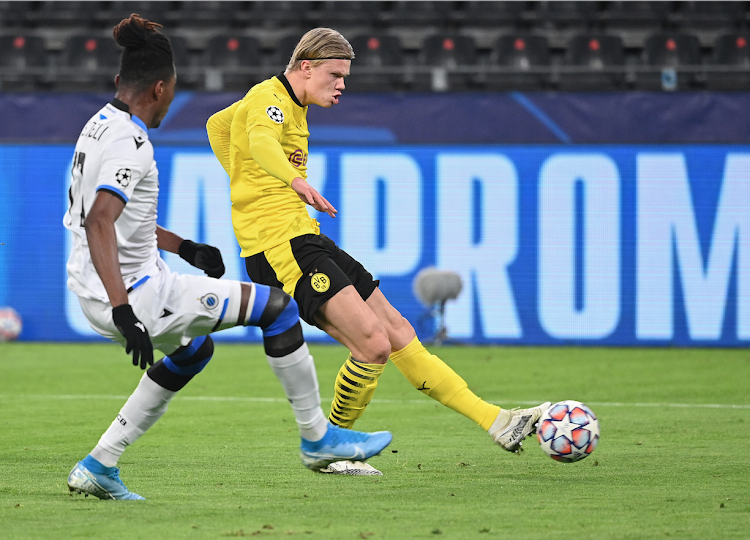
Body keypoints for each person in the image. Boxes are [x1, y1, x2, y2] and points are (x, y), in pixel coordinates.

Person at [63, 15, 391, 500]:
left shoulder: (98, 127)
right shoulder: (133, 145)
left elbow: (110, 217)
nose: (171, 101)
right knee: (277, 311)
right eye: (171, 91)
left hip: (96, 285)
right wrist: (123, 308)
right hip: (134, 293)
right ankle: (318, 439)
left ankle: (100, 463)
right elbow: (100, 223)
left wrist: (185, 248)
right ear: (159, 87)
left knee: (194, 350)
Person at [206, 27, 549, 476]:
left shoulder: (286, 103)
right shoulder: (269, 99)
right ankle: (328, 449)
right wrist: (289, 183)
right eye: (335, 74)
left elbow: (218, 125)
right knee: (372, 344)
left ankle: (498, 421)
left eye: (346, 76)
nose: (342, 84)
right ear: (305, 67)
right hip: (278, 246)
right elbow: (261, 142)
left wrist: (244, 179)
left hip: (302, 236)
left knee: (398, 331)